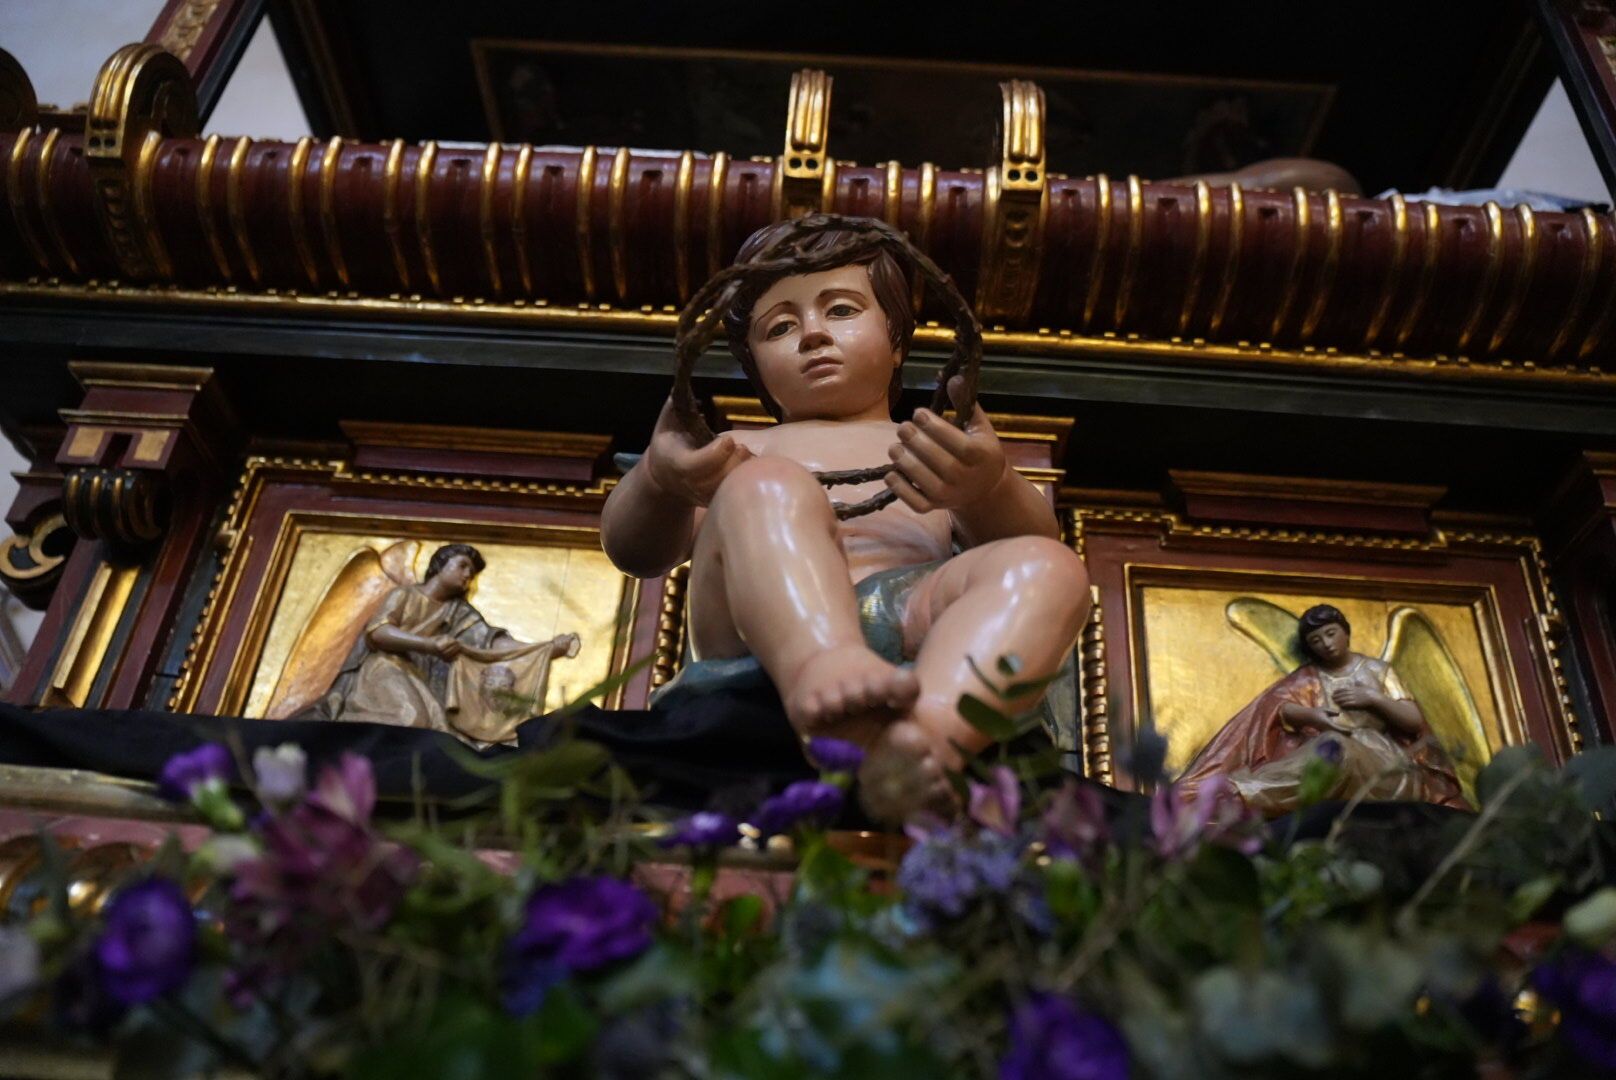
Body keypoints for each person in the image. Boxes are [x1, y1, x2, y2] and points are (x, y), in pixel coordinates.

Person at [600, 220, 1091, 820]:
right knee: (768, 484)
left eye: (841, 310)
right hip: (757, 627)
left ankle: (930, 736)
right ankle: (820, 667)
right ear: (753, 364)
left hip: (908, 610)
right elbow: (635, 551)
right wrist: (660, 479)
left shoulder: (927, 447)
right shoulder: (734, 451)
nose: (812, 335)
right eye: (780, 327)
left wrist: (986, 487)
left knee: (1049, 566)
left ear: (897, 342)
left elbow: (1031, 540)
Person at [1176, 603, 1467, 815]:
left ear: (1345, 633)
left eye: (1330, 634)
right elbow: (1276, 708)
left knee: (1334, 749)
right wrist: (1312, 716)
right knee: (1326, 750)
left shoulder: (1378, 671)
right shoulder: (1308, 678)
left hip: (1381, 766)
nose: (1326, 644)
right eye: (1316, 641)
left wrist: (1374, 699)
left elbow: (1414, 722)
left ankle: (1239, 794)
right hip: (1327, 754)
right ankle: (1238, 794)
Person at [297, 543, 581, 745]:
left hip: (416, 679)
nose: (467, 575)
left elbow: (492, 643)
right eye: (462, 566)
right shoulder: (405, 595)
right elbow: (378, 633)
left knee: (441, 734)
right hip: (382, 669)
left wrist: (547, 648)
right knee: (410, 718)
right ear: (439, 565)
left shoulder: (459, 613)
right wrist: (430, 645)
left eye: (471, 572)